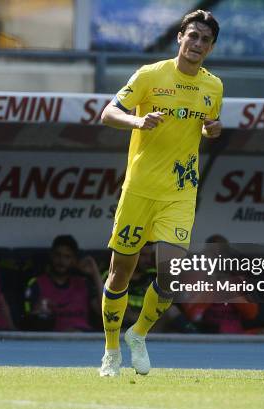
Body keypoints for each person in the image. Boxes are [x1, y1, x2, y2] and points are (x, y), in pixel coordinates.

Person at [98, 9, 223, 376]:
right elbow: (108, 112)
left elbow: (204, 126)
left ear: (211, 47)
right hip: (139, 189)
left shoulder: (214, 86)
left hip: (180, 191)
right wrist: (137, 119)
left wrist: (211, 131)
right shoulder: (150, 75)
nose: (197, 44)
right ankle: (110, 350)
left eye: (205, 39)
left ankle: (138, 335)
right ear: (179, 38)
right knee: (120, 273)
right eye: (193, 36)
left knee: (171, 275)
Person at [23, 235, 103, 331]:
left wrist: (95, 273)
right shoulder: (37, 283)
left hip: (84, 336)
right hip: (53, 340)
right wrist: (38, 310)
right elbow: (29, 318)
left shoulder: (83, 283)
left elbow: (105, 311)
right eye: (58, 255)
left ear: (74, 260)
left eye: (67, 257)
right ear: (51, 256)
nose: (61, 261)